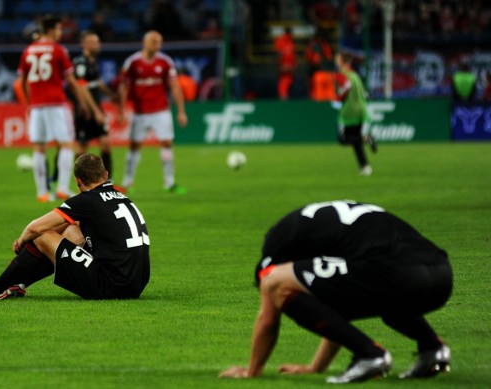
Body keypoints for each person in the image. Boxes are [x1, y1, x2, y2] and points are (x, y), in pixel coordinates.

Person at [220, 200, 453, 383]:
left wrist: (252, 371)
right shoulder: (319, 226)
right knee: (374, 291)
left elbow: (268, 314)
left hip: (396, 274)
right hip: (441, 276)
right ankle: (432, 348)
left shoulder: (277, 244)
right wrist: (315, 368)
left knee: (274, 283)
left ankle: (370, 354)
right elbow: (336, 307)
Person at [0, 154, 150, 301]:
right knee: (70, 228)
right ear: (106, 175)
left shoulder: (86, 200)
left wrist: (21, 241)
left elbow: (35, 228)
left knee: (43, 236)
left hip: (111, 286)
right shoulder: (122, 197)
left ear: (78, 181)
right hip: (136, 283)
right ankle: (19, 284)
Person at [16, 15, 89, 203]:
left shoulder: (28, 50)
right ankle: (62, 189)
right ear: (50, 30)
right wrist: (81, 101)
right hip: (56, 103)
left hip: (37, 106)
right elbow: (71, 82)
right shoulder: (58, 50)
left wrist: (29, 102)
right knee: (65, 144)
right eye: (58, 29)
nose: (60, 33)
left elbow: (22, 81)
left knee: (39, 148)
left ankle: (42, 193)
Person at [117, 30, 188, 194]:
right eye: (154, 41)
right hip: (140, 112)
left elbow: (175, 87)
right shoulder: (133, 62)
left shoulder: (165, 62)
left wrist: (181, 111)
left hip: (161, 111)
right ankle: (127, 182)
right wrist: (121, 110)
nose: (157, 45)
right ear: (145, 42)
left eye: (159, 42)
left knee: (167, 143)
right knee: (134, 146)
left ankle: (170, 182)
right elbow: (124, 87)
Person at [72, 31, 116, 172]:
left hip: (96, 107)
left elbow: (97, 82)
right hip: (84, 110)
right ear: (84, 44)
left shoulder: (93, 61)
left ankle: (107, 182)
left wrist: (110, 94)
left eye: (98, 41)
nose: (98, 45)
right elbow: (82, 86)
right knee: (82, 147)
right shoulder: (80, 62)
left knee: (105, 143)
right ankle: (80, 180)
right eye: (94, 42)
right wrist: (96, 111)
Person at [334, 51, 376, 176]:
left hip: (349, 111)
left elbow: (346, 87)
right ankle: (365, 167)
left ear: (342, 61)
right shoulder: (355, 75)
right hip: (362, 109)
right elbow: (366, 94)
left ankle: (367, 138)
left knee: (343, 139)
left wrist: (337, 99)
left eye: (337, 59)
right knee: (356, 141)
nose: (336, 61)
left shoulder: (342, 74)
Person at [273, 27, 297, 100]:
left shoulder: (286, 42)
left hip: (286, 71)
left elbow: (277, 57)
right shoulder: (290, 43)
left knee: (283, 90)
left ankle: (285, 106)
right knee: (284, 89)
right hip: (286, 71)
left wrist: (280, 67)